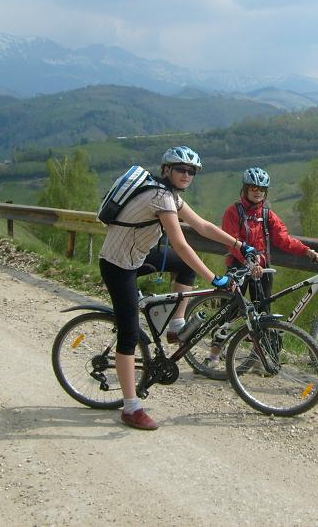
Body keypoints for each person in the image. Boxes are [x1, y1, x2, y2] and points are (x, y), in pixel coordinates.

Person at [99, 146, 251, 430]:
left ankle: (175, 325)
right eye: (181, 169)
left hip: (139, 255)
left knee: (184, 266)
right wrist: (214, 278)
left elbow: (202, 226)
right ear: (166, 170)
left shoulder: (171, 195)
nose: (187, 175)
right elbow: (181, 244)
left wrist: (239, 245)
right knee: (129, 335)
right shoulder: (160, 197)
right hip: (118, 266)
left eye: (192, 171)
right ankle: (131, 408)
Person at [204, 167, 318, 367]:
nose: (257, 191)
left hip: (262, 271)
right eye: (253, 187)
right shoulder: (233, 211)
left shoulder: (267, 214)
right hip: (238, 268)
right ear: (245, 189)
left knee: (263, 315)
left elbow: (284, 239)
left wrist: (307, 251)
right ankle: (215, 354)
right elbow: (232, 242)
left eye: (261, 189)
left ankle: (258, 357)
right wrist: (249, 263)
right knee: (229, 311)